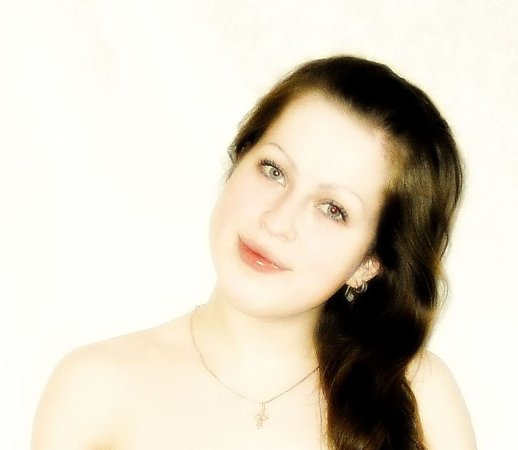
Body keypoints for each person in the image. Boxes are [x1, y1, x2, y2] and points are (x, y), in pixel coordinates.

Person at [32, 55, 476, 450]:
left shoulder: (417, 394)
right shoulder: (93, 388)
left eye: (332, 209)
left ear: (369, 262)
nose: (277, 221)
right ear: (237, 162)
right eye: (273, 170)